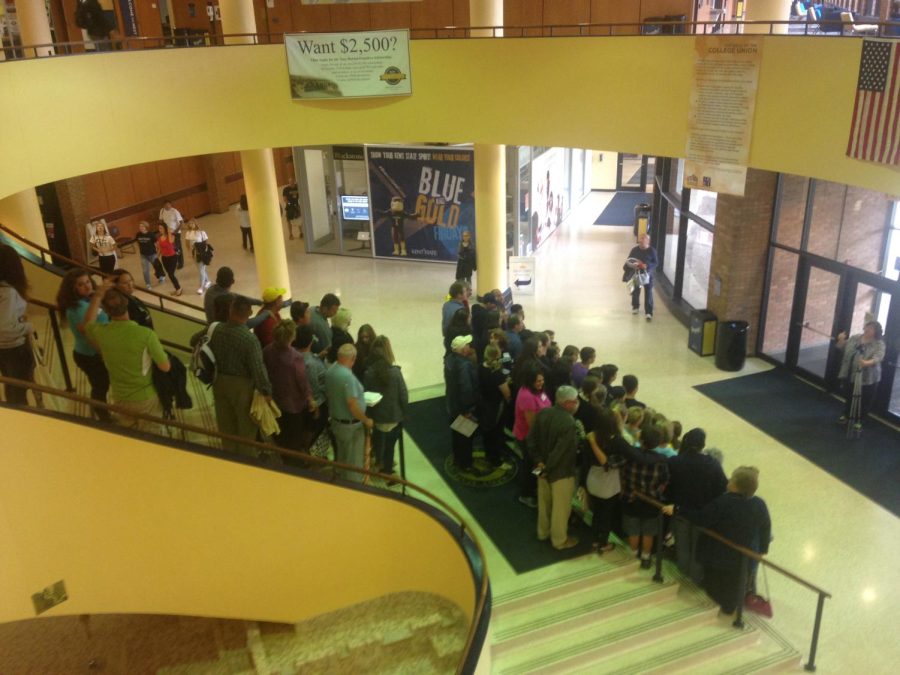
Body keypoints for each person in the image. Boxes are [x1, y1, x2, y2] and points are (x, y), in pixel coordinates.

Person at [666, 467, 771, 615]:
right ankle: (729, 608)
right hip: (741, 556)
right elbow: (765, 527)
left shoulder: (724, 502)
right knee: (733, 584)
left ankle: (715, 605)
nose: (729, 480)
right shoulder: (759, 504)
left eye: (732, 478)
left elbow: (701, 519)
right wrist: (762, 550)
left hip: (717, 553)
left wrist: (677, 510)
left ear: (736, 485)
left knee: (715, 583)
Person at [84, 283, 170, 433]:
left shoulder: (101, 332)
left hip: (120, 397)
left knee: (129, 435)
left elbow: (88, 323)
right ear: (127, 304)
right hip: (146, 397)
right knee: (153, 438)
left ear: (105, 311)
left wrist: (98, 295)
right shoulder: (145, 334)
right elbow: (165, 366)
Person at [207, 295, 273, 456]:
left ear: (231, 310)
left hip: (219, 381)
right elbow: (258, 368)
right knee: (246, 427)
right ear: (250, 313)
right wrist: (266, 391)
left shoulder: (216, 330)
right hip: (242, 387)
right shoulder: (249, 339)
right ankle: (246, 459)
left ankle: (229, 455)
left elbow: (195, 341)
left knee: (226, 424)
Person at [665, 428, 728, 583]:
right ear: (703, 445)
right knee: (698, 549)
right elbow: (722, 490)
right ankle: (695, 579)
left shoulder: (675, 461)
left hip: (680, 511)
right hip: (703, 515)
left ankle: (683, 574)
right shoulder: (713, 465)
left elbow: (668, 486)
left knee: (683, 545)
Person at [527, 385, 581, 550]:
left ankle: (543, 532)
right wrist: (548, 467)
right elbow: (560, 452)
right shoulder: (569, 423)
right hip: (560, 473)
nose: (577, 403)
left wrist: (539, 464)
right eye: (575, 401)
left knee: (544, 504)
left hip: (541, 469)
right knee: (561, 508)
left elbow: (531, 440)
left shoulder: (543, 413)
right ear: (567, 403)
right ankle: (559, 540)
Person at [56, 269, 112, 422]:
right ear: (72, 289)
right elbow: (88, 330)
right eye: (81, 284)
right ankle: (103, 416)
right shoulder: (76, 308)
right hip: (89, 355)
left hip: (95, 352)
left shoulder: (88, 299)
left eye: (88, 281)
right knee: (100, 385)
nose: (87, 286)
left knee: (102, 383)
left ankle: (101, 411)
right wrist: (103, 353)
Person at [620, 425, 670, 568]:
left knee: (633, 529)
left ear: (641, 440)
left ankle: (633, 554)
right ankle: (646, 557)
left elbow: (622, 470)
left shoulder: (631, 455)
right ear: (658, 442)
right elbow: (665, 480)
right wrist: (657, 492)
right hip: (652, 502)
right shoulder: (662, 460)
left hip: (631, 497)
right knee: (648, 531)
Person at [263, 319, 313, 453]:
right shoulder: (295, 357)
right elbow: (302, 381)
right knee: (293, 437)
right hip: (293, 403)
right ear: (292, 336)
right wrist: (310, 398)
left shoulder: (267, 350)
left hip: (275, 399)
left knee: (280, 431)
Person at [586, 408, 632, 553]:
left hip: (592, 479)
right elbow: (608, 463)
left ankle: (594, 539)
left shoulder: (591, 437)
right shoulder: (617, 442)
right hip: (608, 485)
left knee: (596, 513)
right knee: (606, 516)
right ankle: (603, 543)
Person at [325, 343, 373, 482]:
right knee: (353, 463)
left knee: (341, 457)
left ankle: (340, 482)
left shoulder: (331, 371)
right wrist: (366, 420)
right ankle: (353, 489)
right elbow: (352, 405)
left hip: (336, 422)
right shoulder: (348, 378)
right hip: (351, 426)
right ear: (353, 358)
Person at [364, 335, 408, 478]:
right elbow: (403, 395)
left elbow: (367, 397)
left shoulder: (369, 373)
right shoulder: (395, 373)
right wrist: (404, 413)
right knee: (390, 446)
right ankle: (388, 469)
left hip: (377, 418)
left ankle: (379, 462)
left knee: (378, 441)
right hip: (394, 417)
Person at [0, 245, 35, 405]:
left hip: (4, 349)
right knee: (19, 388)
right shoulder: (8, 292)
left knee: (11, 384)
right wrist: (27, 327)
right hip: (14, 348)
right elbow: (5, 328)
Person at [835, 321, 885, 431]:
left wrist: (867, 363)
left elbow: (878, 357)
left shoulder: (879, 344)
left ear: (876, 332)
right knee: (849, 395)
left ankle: (859, 420)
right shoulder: (855, 338)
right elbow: (842, 348)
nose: (867, 329)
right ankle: (847, 415)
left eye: (871, 328)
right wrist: (841, 340)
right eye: (867, 327)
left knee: (864, 399)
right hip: (850, 373)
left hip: (868, 378)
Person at [514, 362, 551, 507]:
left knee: (533, 465)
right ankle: (526, 494)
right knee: (530, 466)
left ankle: (533, 486)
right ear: (530, 381)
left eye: (542, 380)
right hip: (528, 438)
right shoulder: (527, 396)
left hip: (537, 436)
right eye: (538, 381)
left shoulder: (537, 390)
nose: (541, 383)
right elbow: (532, 425)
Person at [444, 334, 479, 472]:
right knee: (465, 437)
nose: (469, 347)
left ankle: (457, 458)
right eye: (467, 345)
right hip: (464, 408)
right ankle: (466, 463)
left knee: (456, 435)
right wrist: (467, 410)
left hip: (453, 405)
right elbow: (466, 389)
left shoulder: (449, 360)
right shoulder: (465, 365)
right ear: (462, 349)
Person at [478, 344, 512, 469]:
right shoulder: (497, 373)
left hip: (484, 404)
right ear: (497, 355)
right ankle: (496, 460)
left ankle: (488, 454)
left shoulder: (481, 367)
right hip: (496, 407)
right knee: (496, 433)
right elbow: (506, 393)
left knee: (487, 432)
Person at [294, 325, 327, 453]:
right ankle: (307, 451)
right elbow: (313, 388)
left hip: (300, 402)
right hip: (314, 405)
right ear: (310, 342)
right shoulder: (310, 364)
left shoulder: (295, 356)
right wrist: (316, 409)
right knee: (311, 430)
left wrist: (318, 356)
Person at [627, 233, 658, 321]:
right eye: (641, 239)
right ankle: (635, 306)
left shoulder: (652, 250)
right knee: (636, 291)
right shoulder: (634, 250)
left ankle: (648, 312)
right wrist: (634, 265)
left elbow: (656, 262)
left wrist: (647, 266)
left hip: (648, 275)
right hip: (636, 274)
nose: (641, 241)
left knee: (648, 293)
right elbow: (629, 260)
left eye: (644, 239)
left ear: (648, 241)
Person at [183, 218, 212, 294]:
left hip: (201, 253)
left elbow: (205, 243)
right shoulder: (188, 233)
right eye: (189, 224)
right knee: (201, 269)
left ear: (195, 224)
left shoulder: (201, 232)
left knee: (201, 270)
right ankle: (208, 281)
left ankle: (201, 287)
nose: (191, 225)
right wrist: (189, 252)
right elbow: (187, 244)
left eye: (192, 223)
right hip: (194, 253)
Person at [134, 221, 165, 290]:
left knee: (157, 266)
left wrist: (157, 253)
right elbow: (137, 242)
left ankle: (161, 277)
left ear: (146, 227)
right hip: (143, 255)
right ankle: (148, 284)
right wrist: (141, 249)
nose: (141, 228)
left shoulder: (151, 234)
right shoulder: (138, 234)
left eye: (142, 226)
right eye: (140, 226)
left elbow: (157, 245)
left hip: (152, 254)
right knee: (145, 270)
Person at [311, 293, 341, 359]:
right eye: (334, 310)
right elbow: (328, 348)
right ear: (325, 308)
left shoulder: (311, 309)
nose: (336, 313)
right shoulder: (323, 328)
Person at [155, 222, 182, 296]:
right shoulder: (159, 238)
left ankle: (178, 288)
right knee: (170, 274)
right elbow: (160, 249)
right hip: (164, 258)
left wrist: (169, 231)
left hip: (172, 257)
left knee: (171, 274)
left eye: (161, 228)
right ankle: (177, 288)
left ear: (165, 229)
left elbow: (170, 242)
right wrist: (157, 257)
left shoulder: (171, 236)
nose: (160, 230)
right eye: (159, 228)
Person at [158, 201, 184, 268]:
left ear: (170, 205)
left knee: (177, 248)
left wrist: (176, 231)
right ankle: (174, 262)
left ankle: (180, 263)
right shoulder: (162, 210)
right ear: (163, 206)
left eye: (168, 205)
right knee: (171, 248)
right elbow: (160, 221)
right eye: (165, 205)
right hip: (167, 232)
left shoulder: (175, 211)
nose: (167, 206)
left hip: (176, 232)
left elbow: (181, 222)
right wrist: (162, 230)